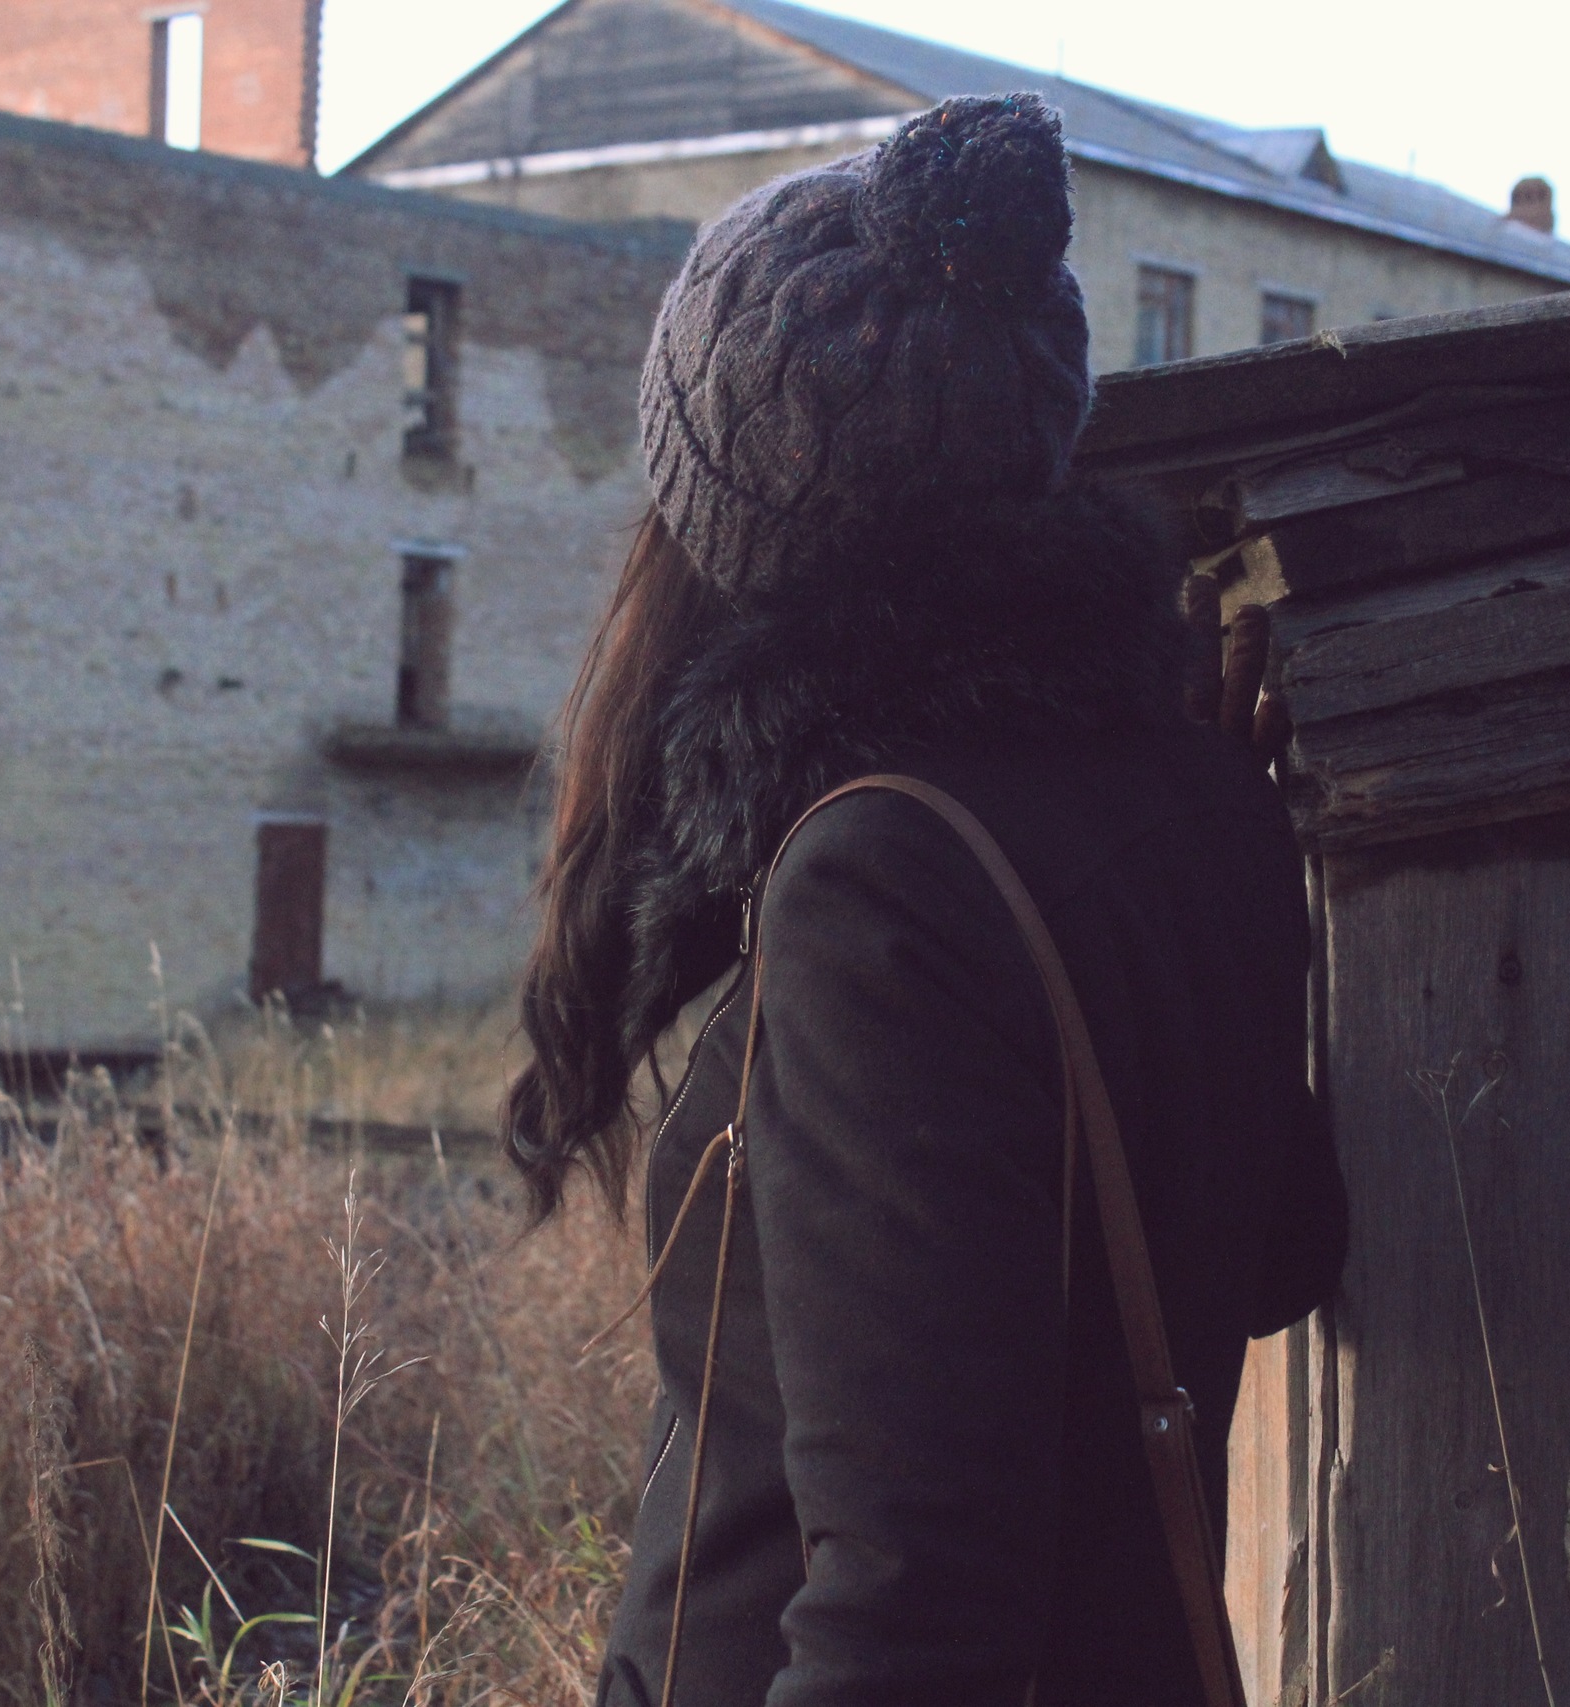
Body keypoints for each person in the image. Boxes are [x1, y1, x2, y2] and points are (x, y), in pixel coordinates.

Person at [503, 92, 1349, 1707]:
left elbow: (913, 1609)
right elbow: (1279, 1255)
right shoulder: (1196, 792)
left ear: (736, 515)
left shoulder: (878, 886)